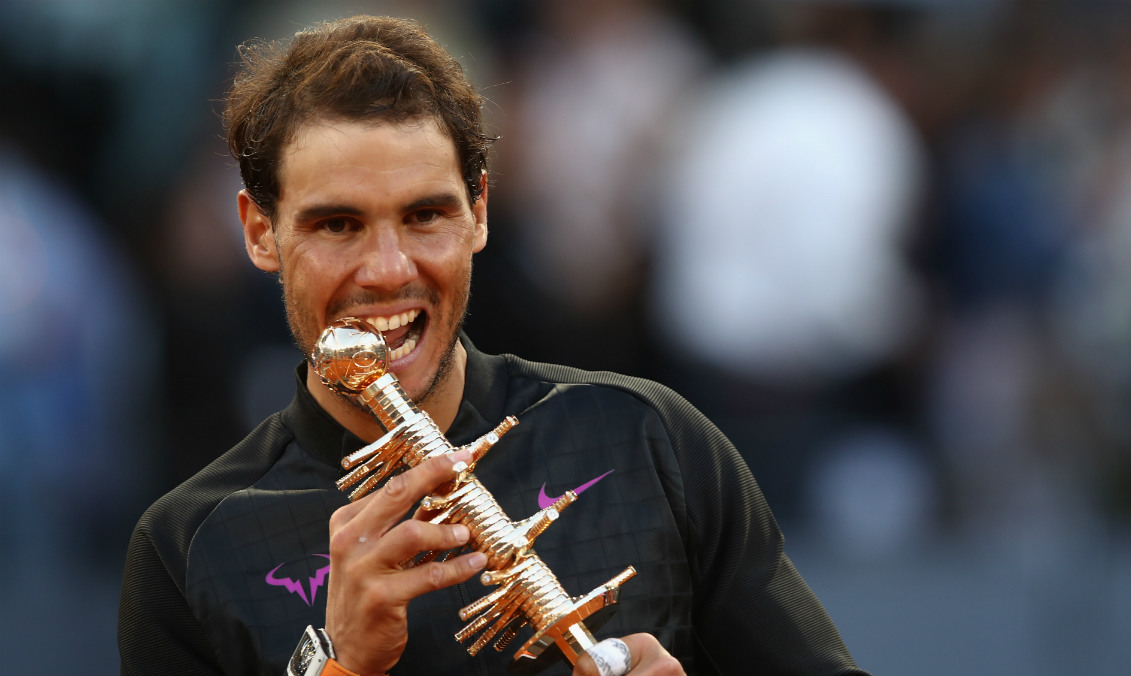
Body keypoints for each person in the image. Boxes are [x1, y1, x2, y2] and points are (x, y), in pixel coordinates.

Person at [118, 15, 868, 676]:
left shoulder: (650, 441)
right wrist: (342, 668)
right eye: (337, 225)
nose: (387, 271)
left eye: (425, 216)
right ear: (259, 231)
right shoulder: (189, 552)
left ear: (478, 212)